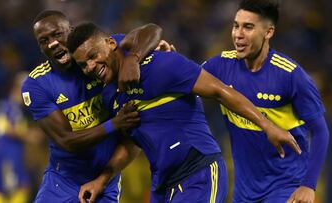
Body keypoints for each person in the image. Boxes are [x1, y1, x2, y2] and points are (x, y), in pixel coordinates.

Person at [66, 22, 301, 203]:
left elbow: (220, 91)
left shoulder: (161, 65)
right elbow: (133, 143)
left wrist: (267, 125)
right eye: (83, 64)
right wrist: (102, 180)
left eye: (93, 56)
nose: (90, 67)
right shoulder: (110, 94)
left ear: (110, 44)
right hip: (162, 185)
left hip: (197, 172)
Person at [21, 10, 162, 202]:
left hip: (105, 176)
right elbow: (66, 141)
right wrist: (115, 123)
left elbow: (151, 31)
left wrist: (133, 57)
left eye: (57, 34)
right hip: (63, 180)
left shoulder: (100, 50)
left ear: (70, 31)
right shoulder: (37, 84)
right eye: (44, 40)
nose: (52, 43)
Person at [201, 0, 329, 202]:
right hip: (244, 193)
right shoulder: (220, 66)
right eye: (236, 25)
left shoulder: (291, 75)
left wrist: (308, 185)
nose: (238, 34)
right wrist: (168, 58)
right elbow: (186, 79)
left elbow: (321, 131)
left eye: (248, 27)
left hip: (286, 187)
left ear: (268, 32)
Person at [0, 72, 33, 203]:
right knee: (9, 190)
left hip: (12, 153)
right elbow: (2, 128)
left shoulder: (17, 109)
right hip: (5, 153)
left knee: (20, 187)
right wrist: (29, 136)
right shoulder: (8, 105)